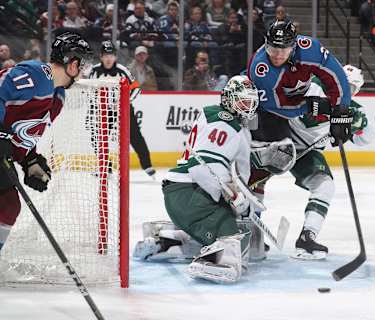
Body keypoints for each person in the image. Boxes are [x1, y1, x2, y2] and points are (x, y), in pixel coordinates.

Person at [134, 75, 259, 284]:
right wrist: (231, 196)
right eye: (242, 100)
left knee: (222, 233)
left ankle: (165, 242)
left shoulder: (220, 118)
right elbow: (201, 168)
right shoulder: (225, 123)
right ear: (228, 98)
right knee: (232, 234)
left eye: (250, 101)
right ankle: (218, 262)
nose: (247, 105)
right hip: (189, 193)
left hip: (182, 195)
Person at [247, 20, 354, 260]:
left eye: (282, 50)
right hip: (268, 121)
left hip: (301, 140)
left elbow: (337, 79)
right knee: (259, 174)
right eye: (272, 48)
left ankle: (308, 238)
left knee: (324, 183)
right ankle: (250, 233)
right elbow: (274, 107)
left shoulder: (311, 51)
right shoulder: (261, 68)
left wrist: (342, 116)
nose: (276, 55)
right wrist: (307, 107)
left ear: (294, 46)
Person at [0, 32, 93, 251]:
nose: (84, 72)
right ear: (72, 64)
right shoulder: (38, 74)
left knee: (8, 204)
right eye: (83, 65)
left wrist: (29, 160)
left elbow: (21, 132)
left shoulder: (57, 97)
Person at [89, 40, 156, 178]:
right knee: (98, 137)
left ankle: (147, 165)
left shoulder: (122, 70)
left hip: (123, 110)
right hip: (103, 111)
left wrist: (124, 102)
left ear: (115, 57)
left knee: (135, 136)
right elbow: (88, 90)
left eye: (111, 55)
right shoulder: (94, 71)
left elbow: (136, 88)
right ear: (101, 56)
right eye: (105, 55)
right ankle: (105, 167)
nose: (108, 58)